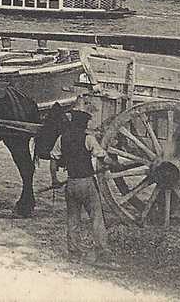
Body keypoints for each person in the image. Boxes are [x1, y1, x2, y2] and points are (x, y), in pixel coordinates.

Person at [51, 108, 111, 263]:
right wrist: (114, 164)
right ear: (84, 124)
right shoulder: (88, 139)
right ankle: (102, 253)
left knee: (73, 220)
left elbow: (53, 160)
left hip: (71, 183)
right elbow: (102, 156)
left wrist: (55, 180)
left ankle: (74, 253)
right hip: (86, 183)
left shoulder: (61, 138)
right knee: (96, 218)